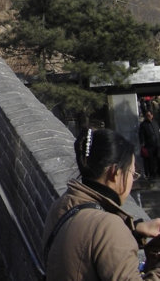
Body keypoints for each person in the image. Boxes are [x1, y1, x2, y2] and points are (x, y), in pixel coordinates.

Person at [43, 128, 160, 279]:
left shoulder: (62, 205)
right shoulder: (108, 227)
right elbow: (101, 235)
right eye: (132, 173)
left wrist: (135, 230)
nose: (132, 181)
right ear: (115, 173)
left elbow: (88, 244)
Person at [139, 110, 160, 179]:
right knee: (151, 161)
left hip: (157, 145)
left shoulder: (155, 122)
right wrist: (142, 144)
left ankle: (158, 173)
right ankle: (152, 174)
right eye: (147, 115)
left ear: (152, 115)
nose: (149, 117)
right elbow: (141, 135)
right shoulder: (143, 125)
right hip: (149, 146)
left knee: (157, 159)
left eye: (150, 115)